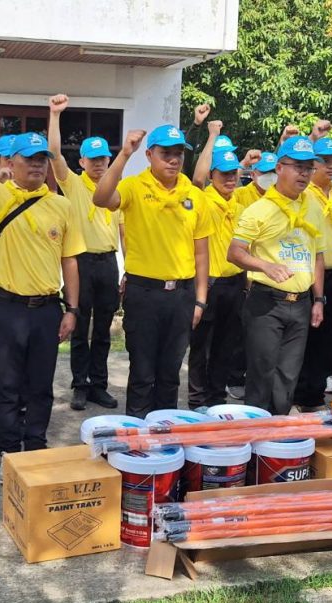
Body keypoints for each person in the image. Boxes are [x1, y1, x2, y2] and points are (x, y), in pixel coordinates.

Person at [0, 76, 83, 466]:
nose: (38, 165)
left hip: (46, 310)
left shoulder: (61, 205)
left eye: (43, 159)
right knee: (7, 385)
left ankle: (36, 450)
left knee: (41, 386)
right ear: (11, 163)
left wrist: (72, 309)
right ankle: (10, 455)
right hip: (6, 308)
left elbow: (70, 259)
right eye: (30, 159)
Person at [93, 125, 212, 417]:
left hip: (182, 295)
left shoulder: (194, 196)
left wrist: (200, 300)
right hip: (143, 293)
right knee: (142, 373)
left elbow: (201, 252)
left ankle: (165, 433)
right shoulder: (134, 187)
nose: (173, 159)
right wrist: (124, 154)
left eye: (178, 154)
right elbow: (101, 198)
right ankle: (138, 436)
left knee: (170, 374)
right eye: (165, 153)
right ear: (149, 155)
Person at [228, 136, 327, 414]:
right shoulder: (260, 209)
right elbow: (234, 252)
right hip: (267, 303)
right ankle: (255, 433)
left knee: (287, 378)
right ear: (280, 168)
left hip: (301, 302)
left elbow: (318, 255)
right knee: (261, 375)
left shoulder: (313, 207)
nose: (304, 174)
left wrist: (319, 299)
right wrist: (264, 266)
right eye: (298, 167)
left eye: (309, 168)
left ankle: (278, 431)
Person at [48, 94, 122, 411]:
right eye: (93, 159)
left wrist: (128, 268)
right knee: (79, 325)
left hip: (108, 263)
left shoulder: (116, 188)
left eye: (103, 158)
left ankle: (98, 385)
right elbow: (54, 155)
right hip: (80, 263)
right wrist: (55, 115)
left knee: (103, 329)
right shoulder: (74, 184)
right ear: (82, 162)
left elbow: (124, 230)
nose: (99, 164)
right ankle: (80, 384)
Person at [186, 120, 246, 410]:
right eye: (224, 174)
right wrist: (212, 135)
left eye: (234, 173)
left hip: (235, 282)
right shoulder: (204, 199)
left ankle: (217, 397)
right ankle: (197, 399)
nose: (230, 179)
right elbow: (197, 178)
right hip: (208, 283)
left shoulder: (239, 202)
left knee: (226, 344)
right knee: (201, 345)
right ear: (212, 175)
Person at [293, 136, 332, 411]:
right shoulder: (304, 193)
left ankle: (315, 392)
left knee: (328, 339)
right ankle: (302, 395)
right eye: (325, 161)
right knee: (309, 337)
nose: (331, 165)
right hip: (312, 272)